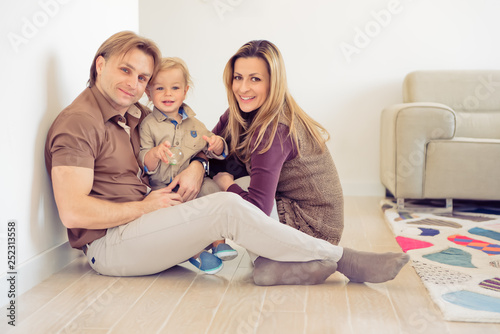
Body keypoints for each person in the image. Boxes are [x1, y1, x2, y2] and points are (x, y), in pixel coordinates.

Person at [45, 30, 409, 286]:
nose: (135, 85)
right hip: (110, 246)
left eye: (143, 78)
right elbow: (74, 213)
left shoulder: (134, 115)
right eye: (126, 71)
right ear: (99, 65)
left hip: (145, 222)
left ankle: (280, 266)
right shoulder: (79, 123)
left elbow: (197, 146)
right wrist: (147, 207)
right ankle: (340, 258)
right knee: (226, 207)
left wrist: (194, 166)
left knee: (225, 200)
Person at [210, 40, 344, 246]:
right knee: (222, 176)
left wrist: (226, 185)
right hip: (294, 212)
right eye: (238, 77)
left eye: (255, 79)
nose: (243, 88)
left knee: (230, 190)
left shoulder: (275, 130)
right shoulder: (239, 113)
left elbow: (256, 209)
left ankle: (312, 261)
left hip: (315, 232)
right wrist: (197, 165)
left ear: (273, 83)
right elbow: (205, 146)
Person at [139, 57, 237, 274]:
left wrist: (218, 144)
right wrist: (155, 153)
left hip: (196, 184)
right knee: (174, 219)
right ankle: (194, 254)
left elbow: (213, 148)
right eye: (160, 88)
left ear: (185, 91)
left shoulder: (195, 124)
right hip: (163, 186)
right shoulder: (147, 126)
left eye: (175, 88)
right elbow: (143, 159)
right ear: (148, 92)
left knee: (213, 190)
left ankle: (218, 242)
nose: (168, 94)